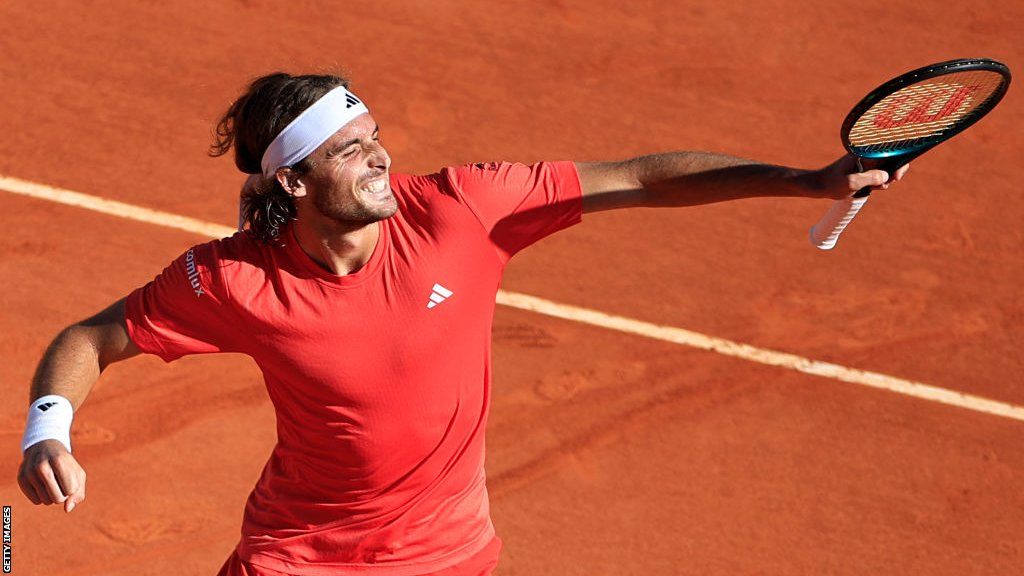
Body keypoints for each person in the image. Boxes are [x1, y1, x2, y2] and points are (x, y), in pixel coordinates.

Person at [17, 72, 908, 576]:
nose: (382, 157)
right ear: (293, 181)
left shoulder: (459, 208)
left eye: (375, 135)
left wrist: (802, 180)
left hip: (447, 557)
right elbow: (92, 338)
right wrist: (45, 431)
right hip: (299, 559)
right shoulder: (236, 279)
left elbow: (640, 177)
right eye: (352, 149)